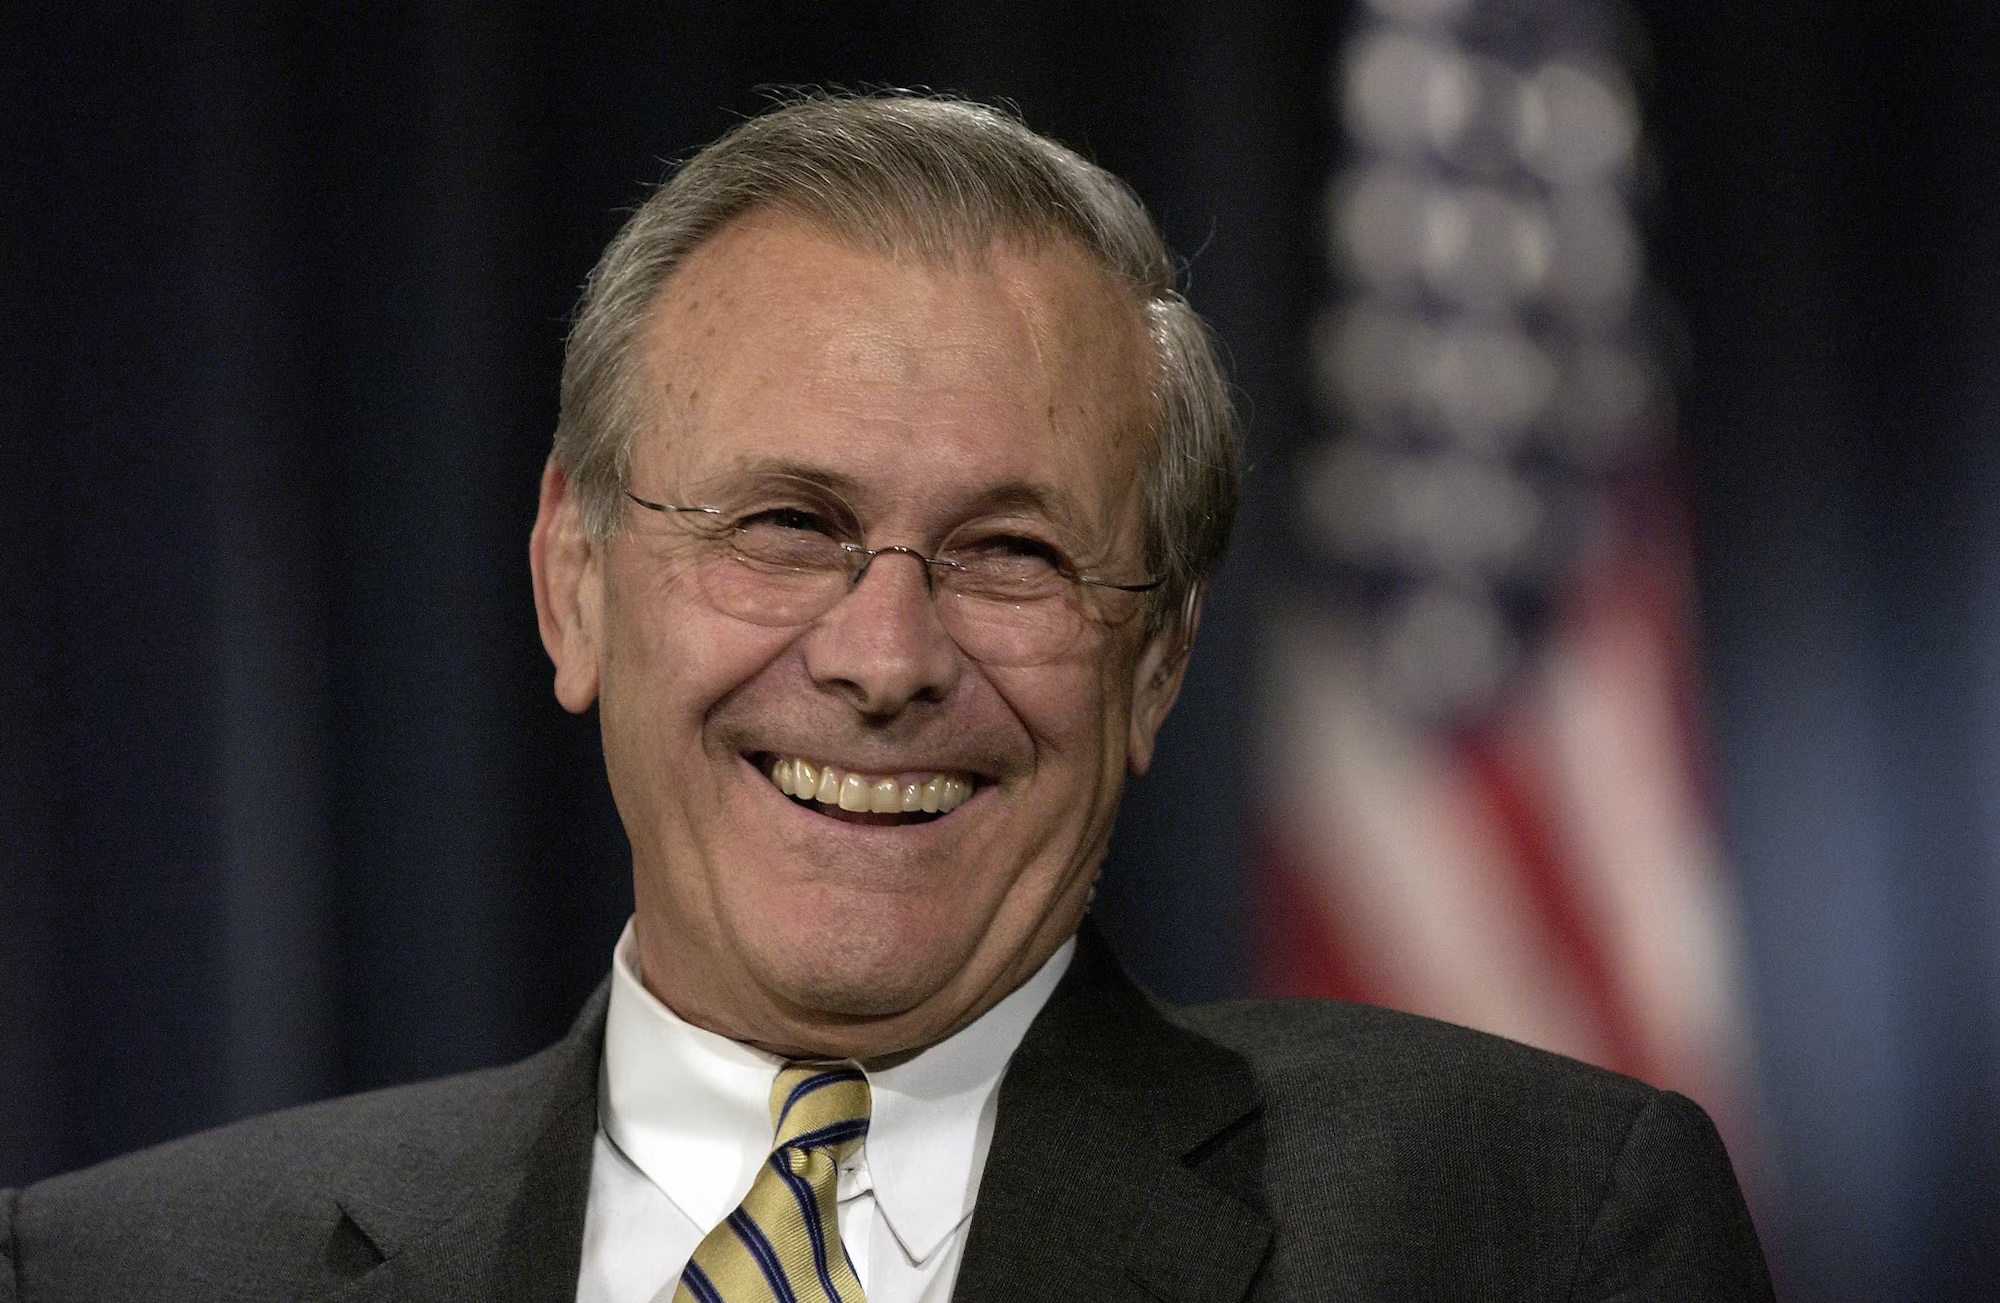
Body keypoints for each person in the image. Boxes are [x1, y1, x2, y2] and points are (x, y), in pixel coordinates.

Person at [0, 93, 1771, 1302]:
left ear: (1158, 660)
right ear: (573, 580)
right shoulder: (118, 1272)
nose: (885, 657)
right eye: (786, 524)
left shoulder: (1522, 1227)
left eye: (1014, 553)